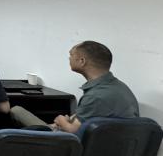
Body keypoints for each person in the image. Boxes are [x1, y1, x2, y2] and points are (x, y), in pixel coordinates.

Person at [10, 41, 139, 133]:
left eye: (71, 55)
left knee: (15, 114)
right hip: (111, 148)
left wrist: (61, 120)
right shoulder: (121, 88)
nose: (69, 58)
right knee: (18, 111)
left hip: (73, 148)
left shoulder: (95, 96)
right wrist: (70, 120)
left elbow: (72, 131)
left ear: (82, 61)